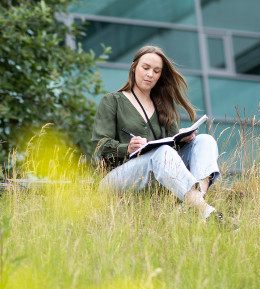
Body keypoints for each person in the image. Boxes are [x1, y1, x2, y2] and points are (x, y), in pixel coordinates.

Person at [92, 45, 229, 224]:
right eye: (146, 68)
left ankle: (195, 202)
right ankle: (206, 211)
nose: (150, 74)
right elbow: (99, 144)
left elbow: (171, 148)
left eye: (156, 71)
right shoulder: (112, 101)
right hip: (118, 179)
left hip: (158, 175)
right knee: (162, 152)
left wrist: (182, 139)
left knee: (205, 140)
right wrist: (127, 148)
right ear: (134, 67)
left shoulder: (163, 104)